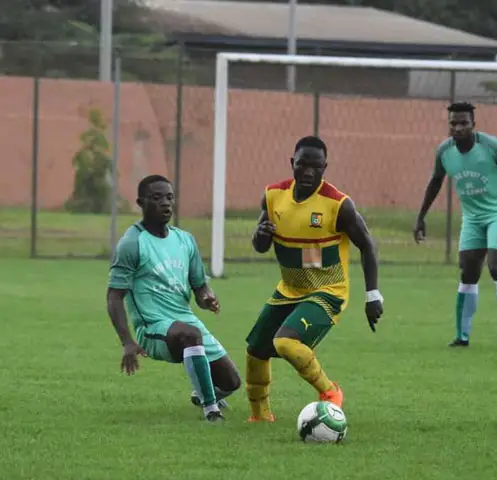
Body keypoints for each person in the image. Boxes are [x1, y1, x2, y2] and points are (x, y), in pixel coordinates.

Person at [245, 136, 384, 422]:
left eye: (316, 166)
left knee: (285, 343)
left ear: (325, 167)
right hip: (289, 289)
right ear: (292, 163)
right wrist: (259, 237)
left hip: (327, 291)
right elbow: (261, 245)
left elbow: (367, 245)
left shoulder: (338, 204)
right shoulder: (273, 196)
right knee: (256, 349)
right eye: (302, 164)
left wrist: (373, 295)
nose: (308, 172)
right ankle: (259, 416)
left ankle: (331, 392)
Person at [106, 174, 240, 422]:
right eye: (156, 198)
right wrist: (127, 341)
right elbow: (114, 297)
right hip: (152, 329)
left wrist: (207, 298)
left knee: (232, 382)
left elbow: (199, 287)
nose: (165, 203)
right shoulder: (132, 243)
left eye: (169, 197)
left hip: (185, 321)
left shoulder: (184, 240)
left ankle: (201, 395)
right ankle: (212, 412)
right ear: (140, 203)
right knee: (190, 335)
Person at [414, 101, 497, 347]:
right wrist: (421, 216)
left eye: (463, 123)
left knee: (496, 266)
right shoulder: (445, 151)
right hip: (472, 218)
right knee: (468, 272)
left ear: (473, 124)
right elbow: (435, 182)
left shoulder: (491, 147)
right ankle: (462, 336)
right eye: (453, 123)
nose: (458, 128)